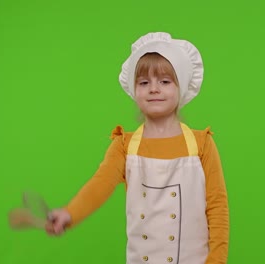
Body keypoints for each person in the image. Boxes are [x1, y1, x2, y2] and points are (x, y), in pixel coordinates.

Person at [46, 32, 229, 264]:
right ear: (134, 91)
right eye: (144, 82)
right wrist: (70, 213)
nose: (154, 89)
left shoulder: (202, 144)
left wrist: (217, 260)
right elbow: (100, 184)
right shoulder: (124, 146)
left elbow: (217, 207)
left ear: (181, 87)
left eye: (165, 81)